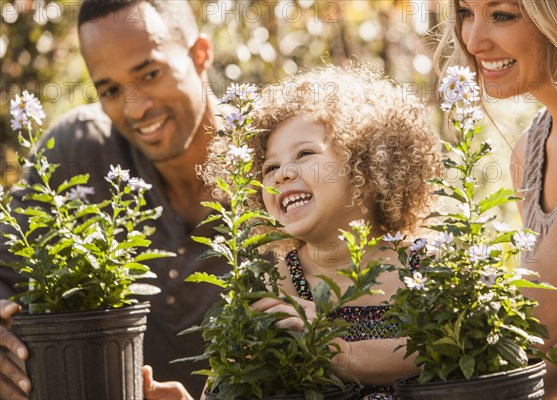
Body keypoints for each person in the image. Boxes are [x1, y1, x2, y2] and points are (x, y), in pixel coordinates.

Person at [0, 1, 229, 398]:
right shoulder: (77, 153)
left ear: (199, 55)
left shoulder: (279, 161)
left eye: (150, 73)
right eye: (110, 89)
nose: (136, 107)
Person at [232, 64, 440, 398]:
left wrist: (344, 354)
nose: (281, 174)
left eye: (304, 153)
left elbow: (447, 349)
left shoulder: (423, 265)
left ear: (370, 164)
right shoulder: (277, 280)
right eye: (269, 167)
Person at [434, 0, 557, 398]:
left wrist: (350, 342)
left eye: (502, 15)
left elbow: (523, 331)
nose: (473, 41)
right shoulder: (529, 152)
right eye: (465, 13)